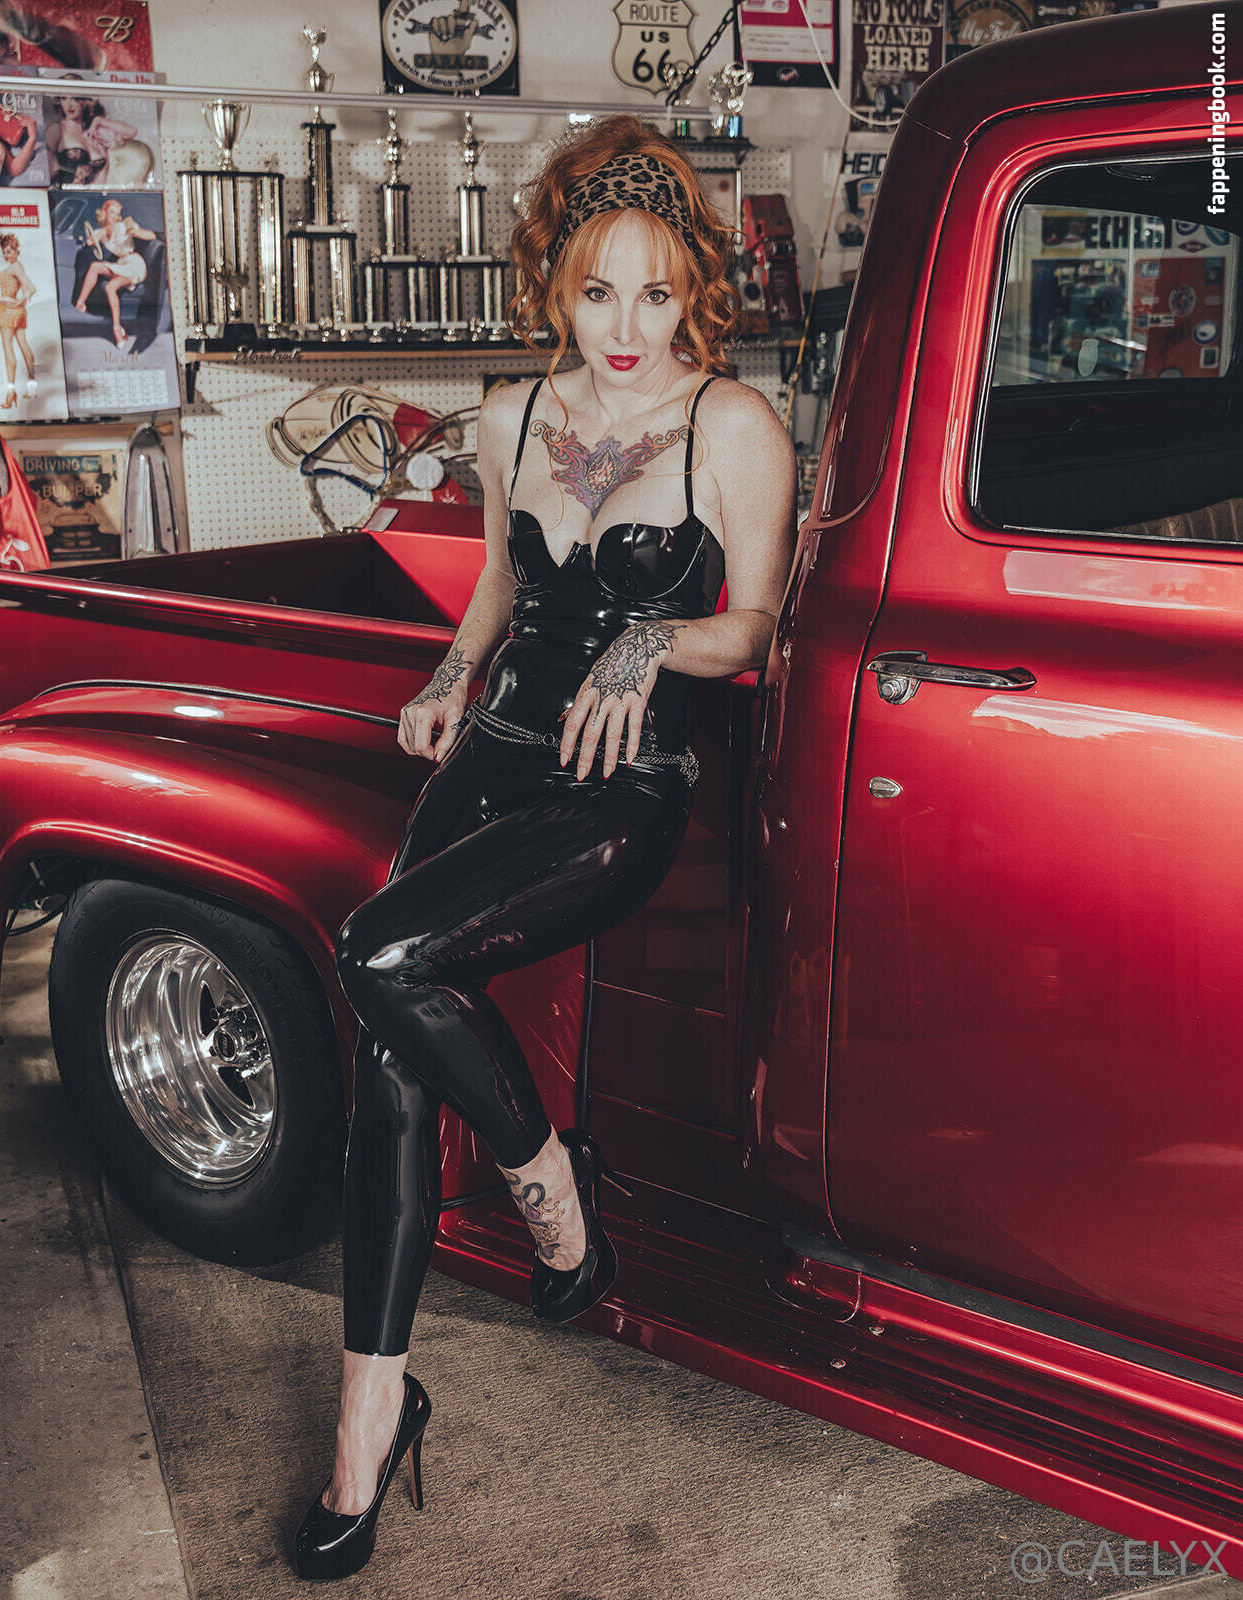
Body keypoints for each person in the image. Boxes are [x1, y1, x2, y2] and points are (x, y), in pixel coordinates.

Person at [291, 113, 798, 1581]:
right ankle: (372, 1414)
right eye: (596, 292)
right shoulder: (507, 417)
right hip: (495, 755)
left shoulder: (733, 424)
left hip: (616, 782)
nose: (625, 327)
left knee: (379, 956)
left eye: (655, 292)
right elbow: (496, 598)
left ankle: (552, 1205)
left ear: (691, 288)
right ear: (555, 287)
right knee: (390, 1051)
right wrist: (448, 680)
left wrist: (650, 640)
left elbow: (753, 626)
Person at [73, 196, 155, 348]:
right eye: (111, 212)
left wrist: (135, 232)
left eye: (117, 213)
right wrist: (102, 233)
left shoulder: (125, 225)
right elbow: (90, 241)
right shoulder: (101, 231)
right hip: (120, 264)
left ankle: (117, 328)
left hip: (134, 264)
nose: (115, 216)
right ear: (104, 214)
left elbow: (151, 236)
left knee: (111, 287)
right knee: (95, 267)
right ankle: (80, 304)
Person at [0, 232, 36, 409]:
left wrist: (22, 300)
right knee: (24, 345)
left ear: (16, 250)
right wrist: (22, 301)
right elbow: (28, 287)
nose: (7, 255)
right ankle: (32, 386)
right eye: (5, 252)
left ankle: (10, 393)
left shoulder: (15, 268)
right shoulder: (18, 266)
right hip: (18, 311)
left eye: (9, 251)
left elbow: (31, 288)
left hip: (7, 311)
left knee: (8, 351)